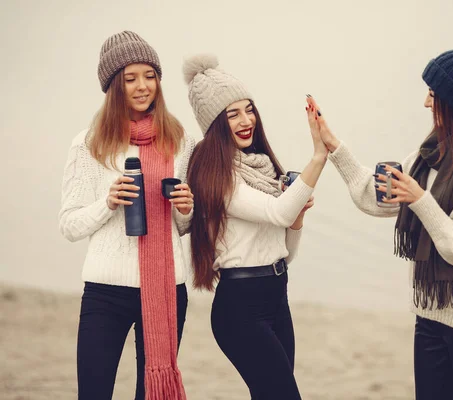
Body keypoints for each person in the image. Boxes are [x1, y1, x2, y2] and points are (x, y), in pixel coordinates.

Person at [308, 38, 453, 400]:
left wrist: (420, 199)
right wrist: (334, 146)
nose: (425, 102)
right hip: (430, 315)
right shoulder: (430, 153)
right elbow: (377, 199)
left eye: (432, 93)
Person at [59, 31, 194, 400]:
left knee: (148, 394)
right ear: (113, 86)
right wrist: (108, 201)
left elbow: (181, 227)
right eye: (130, 78)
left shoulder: (182, 140)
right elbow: (69, 224)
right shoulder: (89, 143)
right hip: (105, 292)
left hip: (168, 288)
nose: (142, 86)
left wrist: (186, 208)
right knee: (94, 391)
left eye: (149, 76)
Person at [183, 54, 327, 400]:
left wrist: (299, 218)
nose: (246, 120)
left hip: (277, 294)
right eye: (233, 114)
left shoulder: (260, 169)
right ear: (215, 123)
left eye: (249, 109)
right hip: (240, 308)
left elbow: (285, 252)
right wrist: (319, 155)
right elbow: (278, 212)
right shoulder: (217, 177)